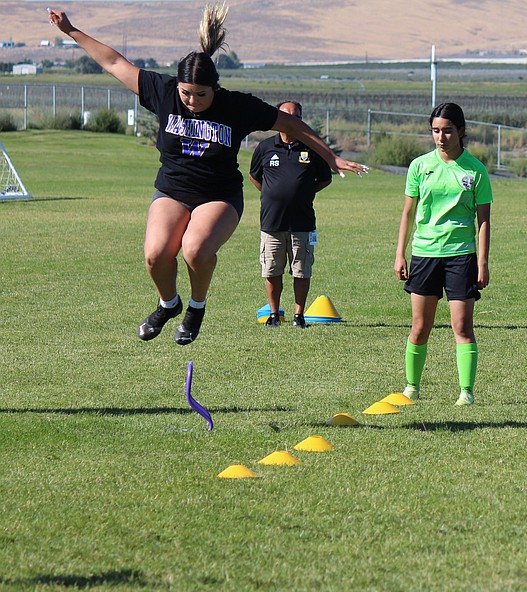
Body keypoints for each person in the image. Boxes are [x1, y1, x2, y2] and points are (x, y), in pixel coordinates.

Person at [47, 5, 366, 345]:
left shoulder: (237, 106)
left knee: (194, 249)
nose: (193, 100)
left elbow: (290, 124)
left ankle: (196, 308)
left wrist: (330, 157)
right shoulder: (163, 91)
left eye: (201, 94)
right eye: (186, 93)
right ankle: (169, 304)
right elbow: (114, 62)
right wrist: (70, 30)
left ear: (215, 88)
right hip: (172, 191)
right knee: (155, 254)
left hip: (219, 196)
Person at [394, 103, 491, 406]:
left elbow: (483, 220)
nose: (441, 137)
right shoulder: (420, 166)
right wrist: (400, 254)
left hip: (461, 255)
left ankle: (466, 392)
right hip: (424, 254)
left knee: (462, 327)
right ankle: (412, 386)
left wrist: (483, 262)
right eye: (436, 131)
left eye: (447, 130)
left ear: (461, 131)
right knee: (420, 327)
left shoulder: (476, 170)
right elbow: (408, 214)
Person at [249, 100, 333, 329]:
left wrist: (303, 193)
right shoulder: (265, 148)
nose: (290, 120)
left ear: (301, 119)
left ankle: (299, 315)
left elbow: (325, 178)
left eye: (295, 116)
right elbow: (254, 176)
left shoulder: (311, 148)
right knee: (271, 269)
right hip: (272, 221)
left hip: (302, 221)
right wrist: (271, 194)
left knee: (301, 270)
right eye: (285, 115)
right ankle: (274, 314)